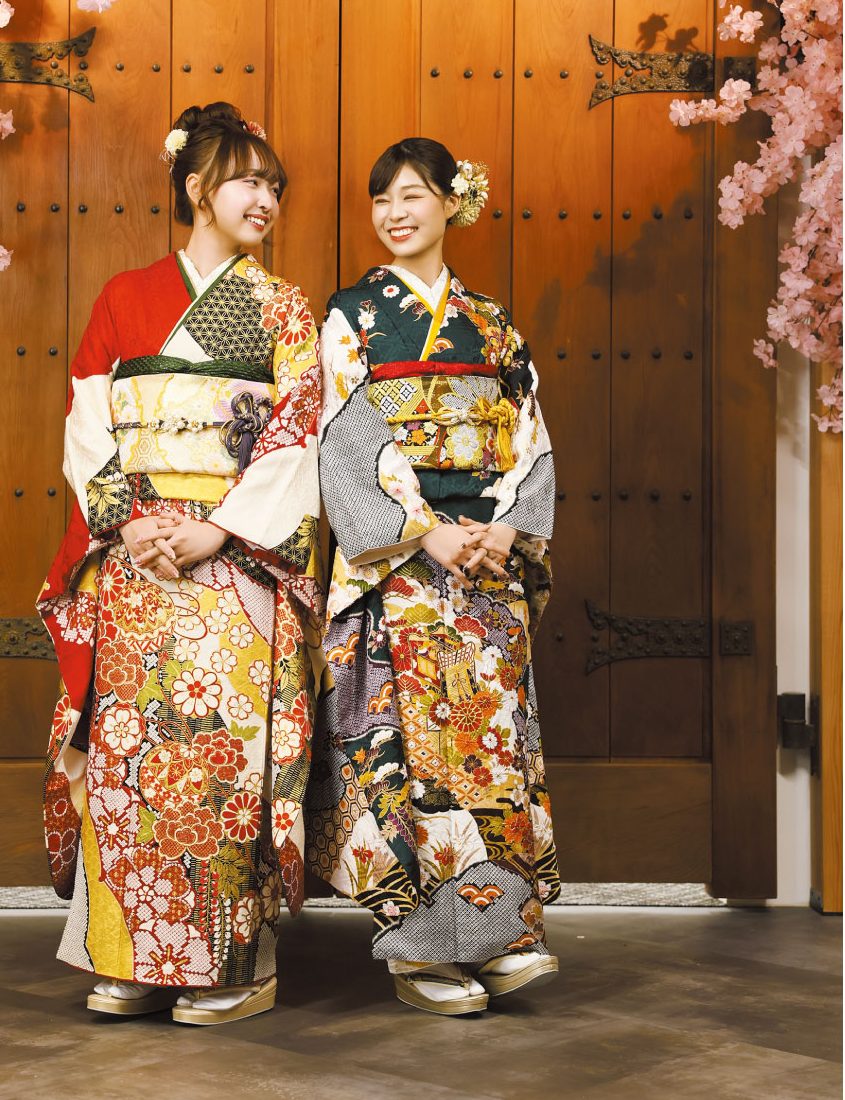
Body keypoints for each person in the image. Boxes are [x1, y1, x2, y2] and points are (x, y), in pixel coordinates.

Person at [37, 102, 322, 1025]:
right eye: (247, 181)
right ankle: (126, 953)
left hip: (231, 562)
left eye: (274, 185)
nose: (265, 198)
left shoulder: (285, 308)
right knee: (130, 757)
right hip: (138, 559)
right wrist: (126, 524)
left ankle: (234, 965)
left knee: (221, 762)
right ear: (198, 188)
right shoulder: (125, 295)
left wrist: (222, 530)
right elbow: (89, 421)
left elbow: (297, 435)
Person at [306, 137, 559, 1017]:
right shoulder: (351, 316)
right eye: (382, 198)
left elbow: (527, 434)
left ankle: (499, 936)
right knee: (405, 758)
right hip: (403, 566)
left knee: (494, 755)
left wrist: (506, 529)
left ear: (453, 202)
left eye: (413, 194)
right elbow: (346, 432)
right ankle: (420, 950)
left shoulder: (491, 323)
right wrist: (424, 531)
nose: (395, 213)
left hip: (486, 563)